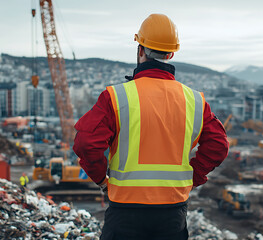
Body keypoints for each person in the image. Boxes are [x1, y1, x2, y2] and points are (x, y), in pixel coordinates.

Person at [73, 13, 229, 240]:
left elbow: (86, 143)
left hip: (125, 209)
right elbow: (219, 145)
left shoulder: (116, 97)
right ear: (171, 54)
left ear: (140, 50)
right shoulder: (194, 100)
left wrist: (101, 180)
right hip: (172, 211)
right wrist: (193, 177)